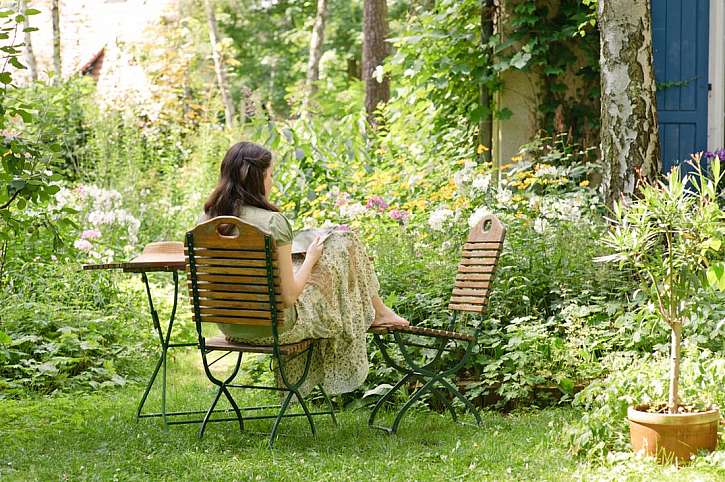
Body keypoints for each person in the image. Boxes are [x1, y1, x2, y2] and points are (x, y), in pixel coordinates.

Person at [199, 141, 408, 395]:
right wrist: (311, 258)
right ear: (256, 178)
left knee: (332, 251)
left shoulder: (206, 221)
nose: (271, 182)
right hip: (277, 330)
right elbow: (289, 296)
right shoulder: (272, 223)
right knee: (344, 243)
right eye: (270, 175)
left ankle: (379, 310)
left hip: (232, 328)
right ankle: (379, 311)